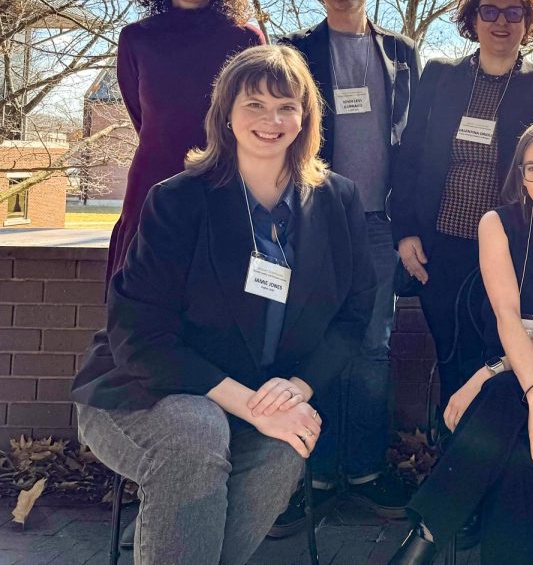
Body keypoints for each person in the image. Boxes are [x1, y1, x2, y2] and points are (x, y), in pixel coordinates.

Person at [71, 45, 376, 565]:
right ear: (226, 114)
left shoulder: (338, 200)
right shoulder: (178, 199)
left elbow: (354, 312)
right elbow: (139, 334)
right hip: (145, 389)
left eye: (286, 106)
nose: (271, 120)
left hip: (258, 397)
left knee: (287, 444)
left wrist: (299, 387)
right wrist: (250, 405)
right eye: (254, 105)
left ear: (305, 117)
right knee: (198, 432)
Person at [388, 119, 533, 565]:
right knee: (514, 455)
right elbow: (507, 315)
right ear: (521, 176)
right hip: (506, 359)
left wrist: (490, 376)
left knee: (497, 396)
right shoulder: (496, 223)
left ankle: (423, 540)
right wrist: (525, 386)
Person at [273, 0, 421, 531]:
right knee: (308, 341)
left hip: (379, 226)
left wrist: (410, 224)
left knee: (372, 347)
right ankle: (310, 474)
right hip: (311, 223)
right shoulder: (294, 52)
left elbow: (413, 144)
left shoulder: (401, 52)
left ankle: (363, 470)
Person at [393, 0, 533, 411]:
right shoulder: (440, 76)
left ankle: (487, 443)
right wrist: (405, 231)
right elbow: (410, 153)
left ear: (528, 23)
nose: (501, 22)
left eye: (514, 13)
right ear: (472, 19)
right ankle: (449, 440)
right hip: (441, 241)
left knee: (495, 352)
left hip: (511, 246)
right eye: (489, 11)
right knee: (449, 346)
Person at [106, 0, 265, 282]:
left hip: (224, 176)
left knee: (219, 286)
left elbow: (258, 111)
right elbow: (141, 116)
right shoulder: (136, 38)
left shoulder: (244, 38)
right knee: (143, 285)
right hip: (154, 174)